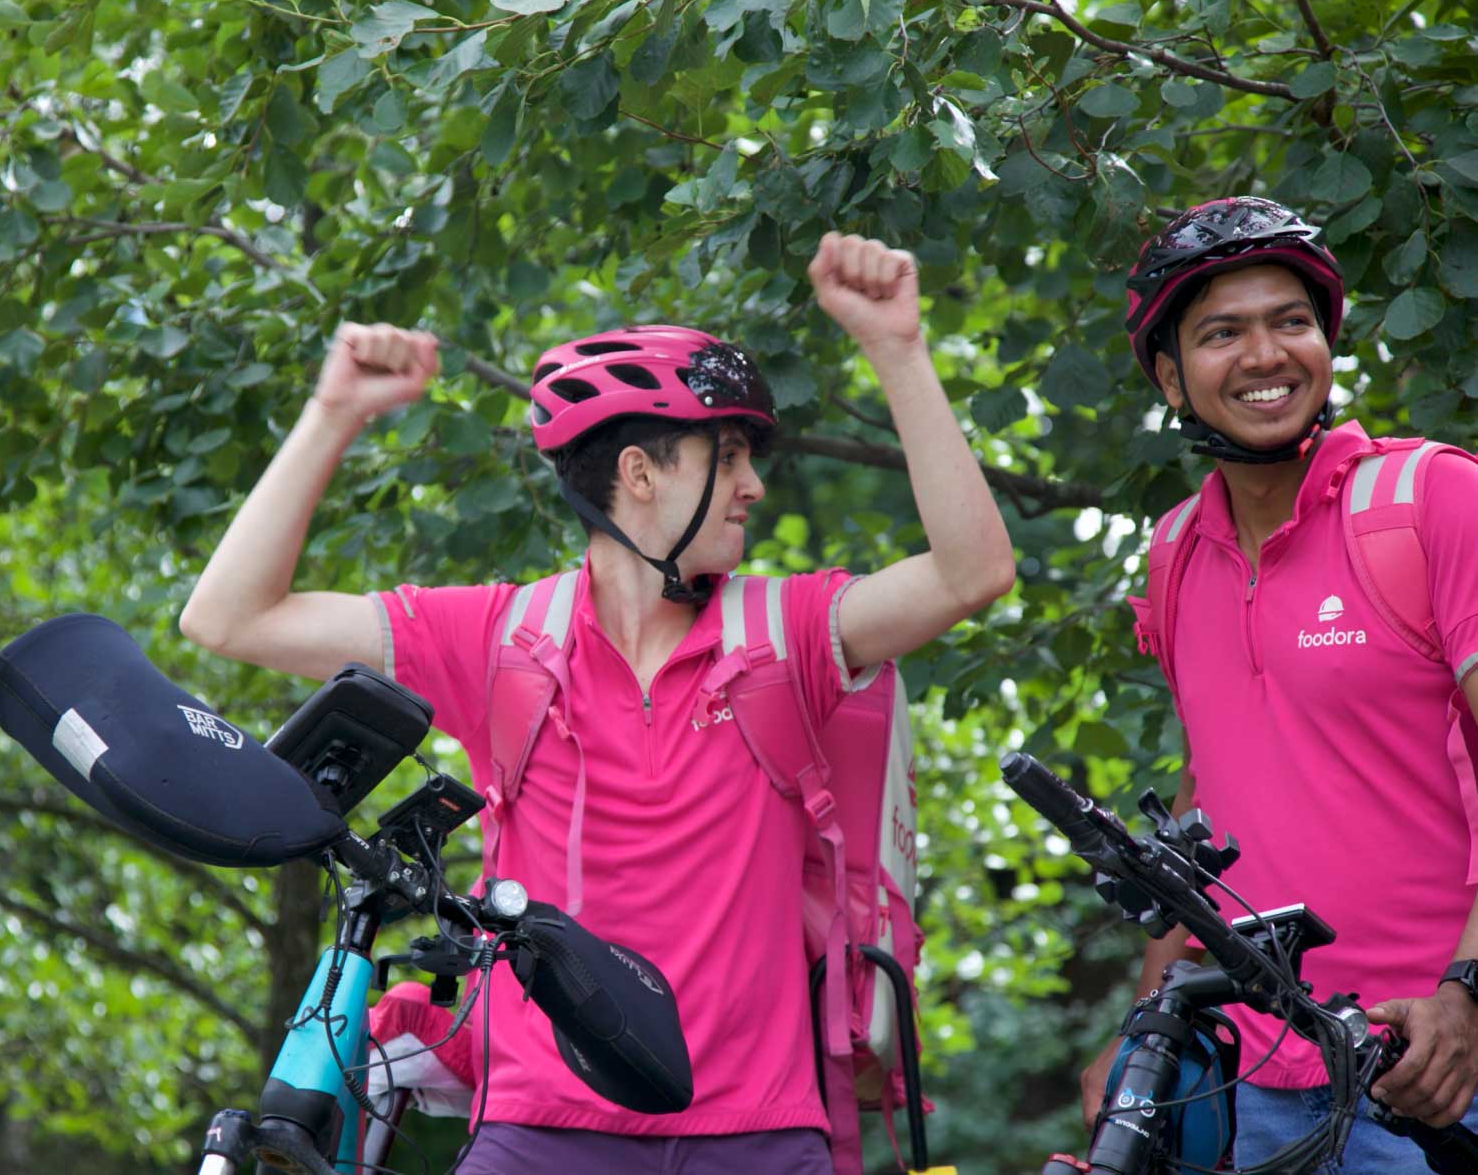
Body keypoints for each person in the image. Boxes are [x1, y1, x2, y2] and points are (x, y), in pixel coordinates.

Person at [180, 232, 1015, 1174]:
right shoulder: (500, 638)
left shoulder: (790, 632)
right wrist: (334, 412)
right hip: (538, 1128)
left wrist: (897, 349)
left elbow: (973, 571)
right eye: (729, 454)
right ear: (639, 473)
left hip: (762, 1135)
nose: (752, 486)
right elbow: (228, 615)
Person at [1080, 196, 1478, 1169]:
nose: (1264, 355)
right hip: (1251, 1076)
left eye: (1289, 322)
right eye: (1222, 332)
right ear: (1169, 374)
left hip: (1433, 1070)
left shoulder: (1429, 501)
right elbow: (1208, 797)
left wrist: (1467, 988)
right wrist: (1144, 1028)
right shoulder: (1174, 550)